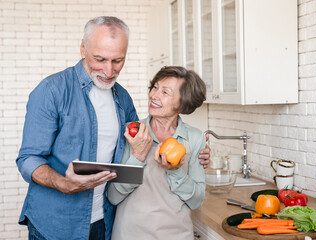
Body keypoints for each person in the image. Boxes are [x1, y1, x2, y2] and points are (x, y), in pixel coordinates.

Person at [16, 16, 210, 240]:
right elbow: (28, 158)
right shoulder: (52, 91)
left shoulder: (123, 98)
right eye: (100, 59)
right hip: (58, 223)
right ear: (83, 48)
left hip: (105, 221)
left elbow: (144, 141)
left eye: (118, 61)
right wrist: (63, 183)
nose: (109, 71)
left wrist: (196, 153)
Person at [107, 66, 207, 240]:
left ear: (182, 103)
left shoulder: (195, 139)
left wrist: (174, 171)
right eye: (155, 87)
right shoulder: (131, 133)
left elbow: (196, 201)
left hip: (177, 234)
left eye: (165, 92)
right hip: (129, 234)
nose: (154, 95)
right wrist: (138, 156)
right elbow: (113, 196)